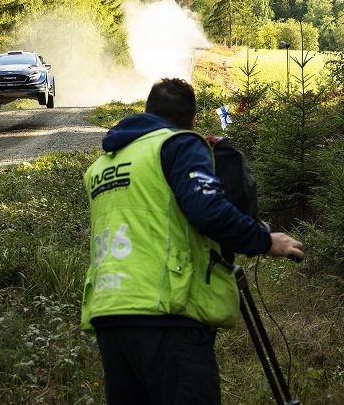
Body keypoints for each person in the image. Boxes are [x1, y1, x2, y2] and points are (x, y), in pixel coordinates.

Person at [81, 78, 304, 405]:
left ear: (148, 112)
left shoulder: (102, 165)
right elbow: (207, 209)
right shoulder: (179, 144)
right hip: (167, 313)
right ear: (193, 119)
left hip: (110, 314)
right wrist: (265, 241)